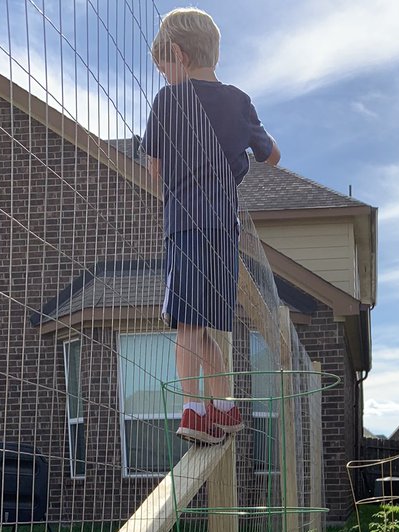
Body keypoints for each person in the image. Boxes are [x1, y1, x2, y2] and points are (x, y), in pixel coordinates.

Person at [142, 8, 281, 445]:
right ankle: (225, 408)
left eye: (165, 67)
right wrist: (240, 153)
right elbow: (272, 155)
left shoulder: (169, 100)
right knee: (206, 323)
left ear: (178, 56)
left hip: (184, 224)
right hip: (224, 227)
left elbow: (155, 169)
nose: (165, 76)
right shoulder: (239, 100)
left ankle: (193, 409)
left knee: (186, 322)